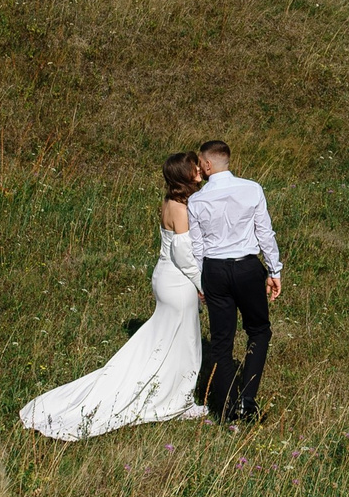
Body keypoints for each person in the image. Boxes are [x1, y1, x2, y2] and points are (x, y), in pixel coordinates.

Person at [18, 152, 212, 440]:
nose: (199, 169)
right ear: (185, 174)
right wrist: (203, 285)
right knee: (187, 343)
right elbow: (183, 256)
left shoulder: (169, 203)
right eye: (194, 167)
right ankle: (178, 400)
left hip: (165, 277)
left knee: (166, 340)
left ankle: (169, 391)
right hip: (178, 281)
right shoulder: (180, 209)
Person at [187, 139, 283, 423]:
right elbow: (265, 232)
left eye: (200, 164)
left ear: (207, 164)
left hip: (214, 270)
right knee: (259, 331)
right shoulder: (252, 189)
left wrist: (201, 283)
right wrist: (274, 270)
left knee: (221, 341)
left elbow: (197, 247)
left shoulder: (196, 200)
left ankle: (227, 408)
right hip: (247, 268)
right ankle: (247, 402)